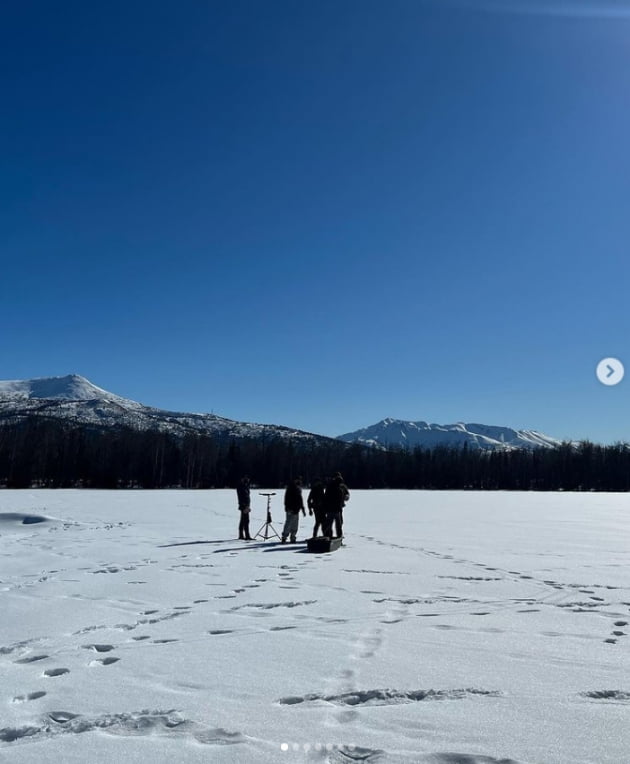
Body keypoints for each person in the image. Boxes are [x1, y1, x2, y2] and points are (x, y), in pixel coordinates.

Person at [323, 472, 350, 539]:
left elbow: (347, 494)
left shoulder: (341, 486)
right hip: (335, 508)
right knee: (333, 524)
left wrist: (346, 496)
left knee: (337, 523)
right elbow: (326, 497)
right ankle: (330, 536)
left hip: (336, 508)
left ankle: (332, 537)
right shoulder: (331, 486)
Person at [282, 477, 305, 543]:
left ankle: (293, 537)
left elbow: (300, 500)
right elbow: (287, 499)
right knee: (288, 523)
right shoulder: (290, 488)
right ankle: (284, 537)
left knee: (295, 524)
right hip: (291, 509)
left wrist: (302, 508)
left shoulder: (298, 488)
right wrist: (288, 507)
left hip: (296, 509)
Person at [236, 476, 252, 540]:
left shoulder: (245, 486)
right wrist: (245, 506)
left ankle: (241, 535)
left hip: (246, 505)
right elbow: (242, 497)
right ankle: (246, 536)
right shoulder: (241, 487)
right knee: (246, 521)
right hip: (244, 506)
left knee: (243, 521)